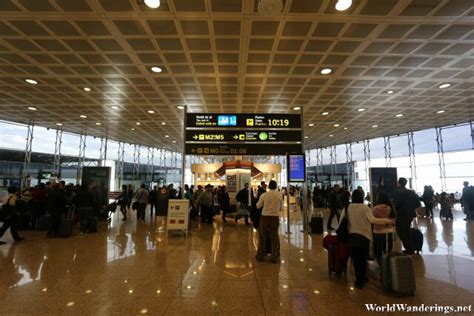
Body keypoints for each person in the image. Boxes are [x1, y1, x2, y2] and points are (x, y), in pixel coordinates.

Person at [348, 189, 393, 289]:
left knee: (356, 259)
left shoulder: (349, 207)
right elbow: (372, 220)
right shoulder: (365, 208)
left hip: (352, 236)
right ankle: (363, 278)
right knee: (363, 258)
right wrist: (386, 220)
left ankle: (358, 279)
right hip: (364, 236)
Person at [255, 180, 283, 263]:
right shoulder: (279, 195)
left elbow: (258, 206)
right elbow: (281, 208)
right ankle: (274, 256)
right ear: (276, 186)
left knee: (263, 236)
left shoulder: (264, 195)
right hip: (275, 218)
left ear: (268, 186)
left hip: (264, 218)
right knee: (274, 237)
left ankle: (261, 255)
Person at [393, 177, 421, 255]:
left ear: (399, 183)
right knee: (407, 230)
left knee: (400, 232)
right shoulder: (411, 192)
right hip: (410, 215)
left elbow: (396, 204)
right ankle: (409, 248)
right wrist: (410, 208)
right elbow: (418, 203)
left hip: (401, 214)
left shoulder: (397, 192)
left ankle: (409, 248)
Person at [371, 191, 396, 267]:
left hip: (377, 232)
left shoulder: (374, 209)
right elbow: (393, 220)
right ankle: (388, 268)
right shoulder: (390, 208)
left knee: (378, 252)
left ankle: (382, 267)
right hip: (389, 232)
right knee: (388, 252)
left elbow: (371, 220)